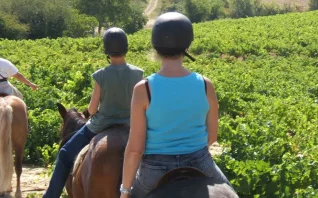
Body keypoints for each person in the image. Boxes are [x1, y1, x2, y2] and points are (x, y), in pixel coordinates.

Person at [120, 12, 232, 198]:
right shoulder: (205, 85)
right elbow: (212, 136)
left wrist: (124, 191)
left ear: (155, 46)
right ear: (187, 45)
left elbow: (135, 149)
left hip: (154, 170)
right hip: (200, 162)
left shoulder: (144, 89)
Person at [44, 28, 144, 198]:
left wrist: (94, 111)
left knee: (65, 154)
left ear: (106, 50)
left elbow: (91, 109)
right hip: (132, 125)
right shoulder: (138, 73)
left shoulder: (101, 75)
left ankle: (50, 196)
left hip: (101, 125)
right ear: (126, 47)